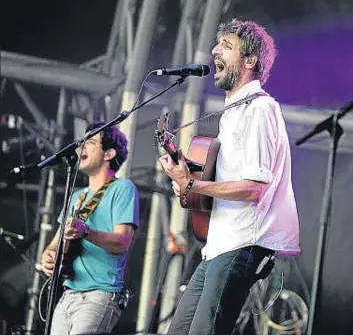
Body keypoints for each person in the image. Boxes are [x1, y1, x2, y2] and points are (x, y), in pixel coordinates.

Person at [159, 18, 301, 335]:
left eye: (226, 46)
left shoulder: (260, 110)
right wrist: (187, 180)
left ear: (249, 61)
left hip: (242, 244)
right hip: (218, 246)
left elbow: (254, 188)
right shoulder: (234, 112)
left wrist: (193, 183)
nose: (214, 51)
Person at [40, 122, 140, 335]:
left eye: (91, 142)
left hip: (99, 295)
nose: (81, 148)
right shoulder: (77, 197)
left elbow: (122, 242)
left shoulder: (122, 188)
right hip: (68, 294)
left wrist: (85, 231)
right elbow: (54, 245)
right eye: (82, 143)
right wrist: (48, 257)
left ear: (108, 154)